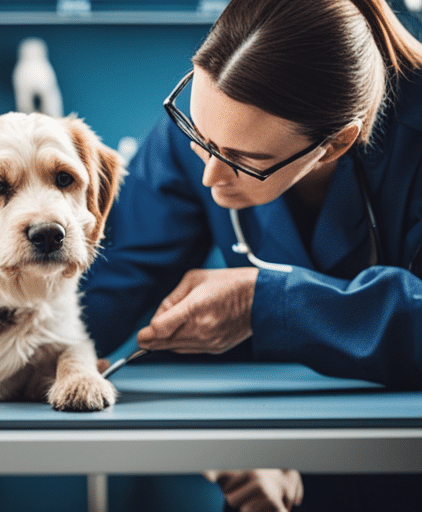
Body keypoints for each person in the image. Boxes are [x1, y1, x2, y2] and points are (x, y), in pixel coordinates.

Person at [80, 0, 422, 510]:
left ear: (335, 144)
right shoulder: (207, 124)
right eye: (201, 137)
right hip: (278, 462)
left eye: (244, 161)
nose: (209, 177)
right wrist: (39, 352)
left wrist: (269, 304)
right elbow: (109, 283)